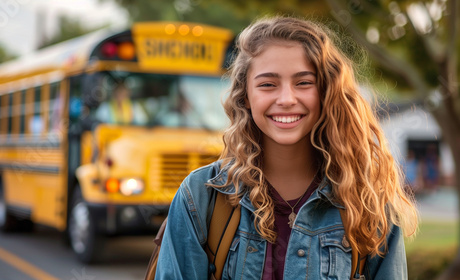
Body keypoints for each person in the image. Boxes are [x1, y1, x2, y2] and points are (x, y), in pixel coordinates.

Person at [155, 16, 418, 280]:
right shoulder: (200, 197)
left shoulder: (369, 201)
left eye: (303, 82)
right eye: (268, 84)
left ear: (326, 92)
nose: (286, 99)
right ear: (245, 96)